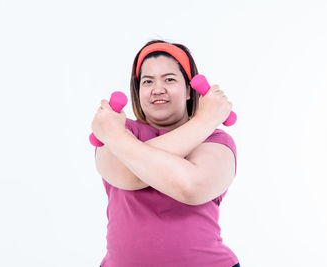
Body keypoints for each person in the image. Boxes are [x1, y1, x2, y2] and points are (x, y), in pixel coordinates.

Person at [91, 40, 240, 267]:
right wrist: (206, 120)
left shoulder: (215, 139)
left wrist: (205, 121)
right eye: (148, 81)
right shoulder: (122, 130)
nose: (157, 89)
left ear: (190, 90)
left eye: (169, 79)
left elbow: (191, 187)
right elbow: (126, 174)